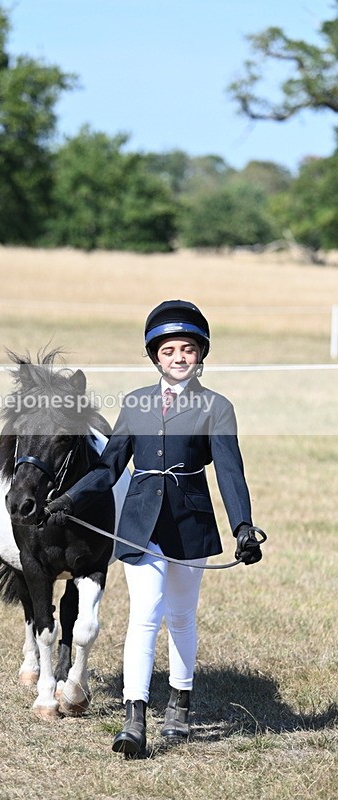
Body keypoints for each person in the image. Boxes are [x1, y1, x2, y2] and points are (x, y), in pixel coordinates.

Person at [46, 299, 263, 755]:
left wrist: (243, 527)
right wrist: (69, 498)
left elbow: (229, 471)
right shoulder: (135, 402)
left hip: (190, 524)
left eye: (187, 349)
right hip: (140, 525)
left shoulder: (216, 407)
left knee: (180, 615)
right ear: (154, 356)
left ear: (201, 354)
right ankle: (134, 718)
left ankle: (180, 703)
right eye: (168, 351)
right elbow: (108, 468)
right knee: (144, 616)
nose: (178, 357)